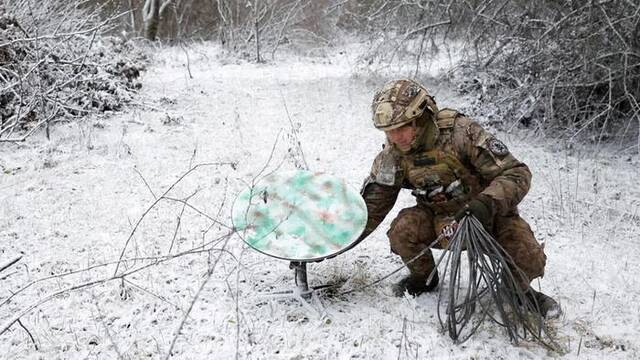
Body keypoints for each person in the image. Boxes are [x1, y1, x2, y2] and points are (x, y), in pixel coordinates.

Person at [359, 79, 561, 318]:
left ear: (420, 118)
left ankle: (518, 292)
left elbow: (516, 173)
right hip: (439, 222)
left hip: (488, 217)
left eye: (402, 128)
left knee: (528, 256)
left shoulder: (461, 133)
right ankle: (424, 279)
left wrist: (485, 204)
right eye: (389, 131)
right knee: (403, 230)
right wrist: (333, 242)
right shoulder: (392, 155)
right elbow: (372, 207)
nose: (395, 137)